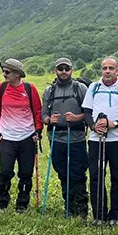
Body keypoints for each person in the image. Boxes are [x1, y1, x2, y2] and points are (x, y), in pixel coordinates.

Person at [82, 56, 118, 227]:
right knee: (96, 177)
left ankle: (115, 214)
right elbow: (86, 111)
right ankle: (99, 215)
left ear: (117, 71)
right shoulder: (94, 87)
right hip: (96, 140)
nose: (107, 71)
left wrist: (115, 124)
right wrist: (93, 127)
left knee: (117, 177)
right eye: (104, 68)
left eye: (111, 68)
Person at [0, 58, 43, 213]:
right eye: (3, 71)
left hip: (27, 136)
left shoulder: (29, 89)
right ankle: (1, 203)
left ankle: (22, 204)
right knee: (5, 171)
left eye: (7, 72)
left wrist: (38, 131)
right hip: (7, 137)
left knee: (25, 173)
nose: (4, 74)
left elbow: (37, 111)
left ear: (17, 74)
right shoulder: (1, 88)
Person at [41, 58, 88, 218]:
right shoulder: (49, 91)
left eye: (66, 69)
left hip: (77, 138)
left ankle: (82, 210)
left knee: (78, 173)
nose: (63, 72)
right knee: (62, 173)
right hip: (57, 138)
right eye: (60, 69)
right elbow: (44, 114)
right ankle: (69, 208)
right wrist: (48, 120)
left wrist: (77, 118)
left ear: (71, 70)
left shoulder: (80, 88)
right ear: (56, 70)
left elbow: (90, 113)